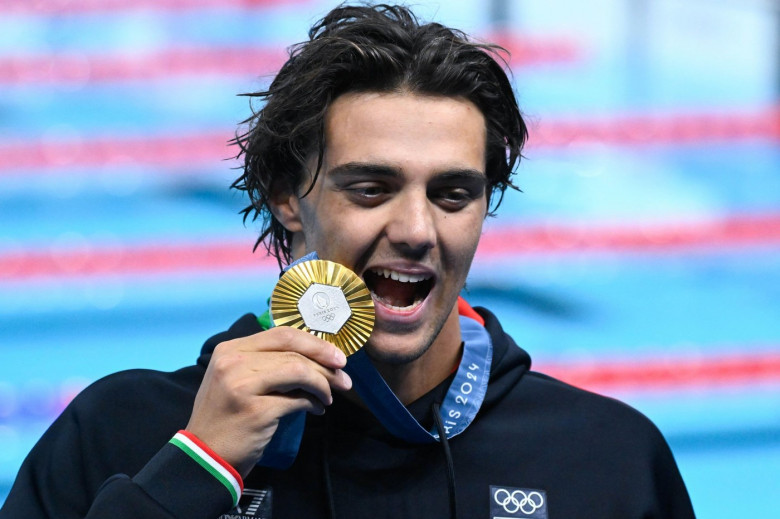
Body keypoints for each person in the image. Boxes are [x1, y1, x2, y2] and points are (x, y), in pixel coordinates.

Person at [0, 4, 695, 519]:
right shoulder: (122, 431)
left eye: (454, 193)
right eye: (371, 187)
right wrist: (193, 471)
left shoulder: (606, 459)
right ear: (287, 197)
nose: (418, 229)